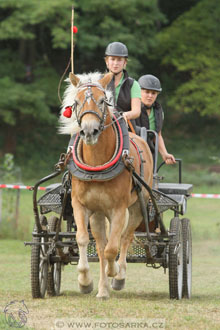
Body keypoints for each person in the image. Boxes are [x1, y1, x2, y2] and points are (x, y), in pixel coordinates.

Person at [136, 74, 176, 165]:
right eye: (147, 92)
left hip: (149, 152)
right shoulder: (132, 108)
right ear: (139, 91)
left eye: (153, 93)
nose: (150, 96)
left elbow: (157, 135)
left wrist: (164, 154)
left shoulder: (159, 112)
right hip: (133, 151)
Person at [105, 42, 141, 130]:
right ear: (107, 61)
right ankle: (72, 144)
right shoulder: (97, 81)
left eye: (119, 60)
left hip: (125, 125)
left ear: (125, 62)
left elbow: (136, 111)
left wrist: (126, 114)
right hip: (101, 125)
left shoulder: (133, 84)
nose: (115, 63)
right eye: (112, 59)